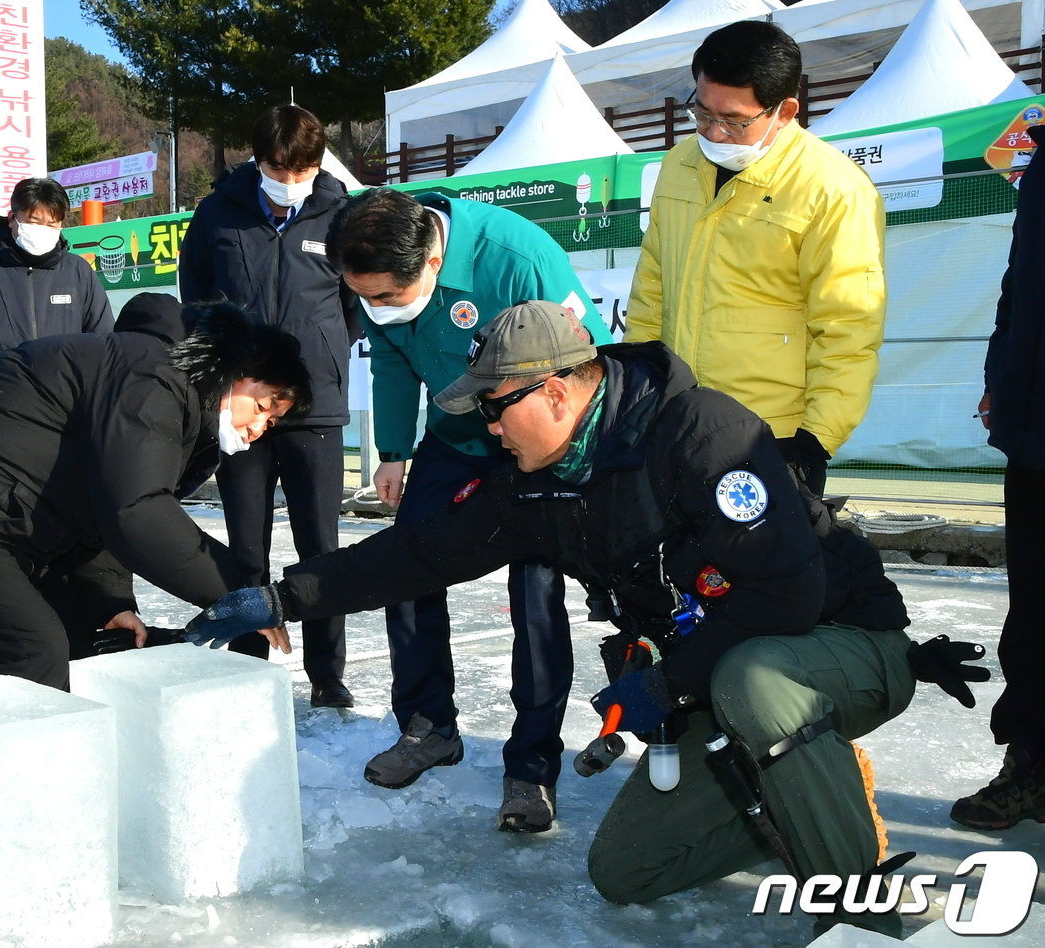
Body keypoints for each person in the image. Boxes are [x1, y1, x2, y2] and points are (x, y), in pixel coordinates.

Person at [187, 300, 986, 937]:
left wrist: (668, 682)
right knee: (626, 871)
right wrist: (284, 596)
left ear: (558, 390)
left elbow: (787, 597)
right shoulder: (535, 481)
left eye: (498, 408)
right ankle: (799, 795)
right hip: (725, 683)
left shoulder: (702, 436)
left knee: (753, 680)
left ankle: (858, 902)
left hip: (840, 649)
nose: (490, 429)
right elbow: (418, 555)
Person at [324, 187, 613, 832]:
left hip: (532, 447)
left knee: (535, 596)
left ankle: (532, 766)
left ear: (430, 262)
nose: (373, 309)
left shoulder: (516, 257)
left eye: (383, 298)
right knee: (406, 570)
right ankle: (427, 727)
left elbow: (586, 359)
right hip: (453, 439)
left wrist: (571, 461)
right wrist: (394, 449)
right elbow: (394, 365)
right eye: (363, 297)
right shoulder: (381, 271)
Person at [0, 294, 309, 690]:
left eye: (271, 422)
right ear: (236, 368)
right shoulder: (154, 376)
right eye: (263, 406)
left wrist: (109, 605)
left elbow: (106, 510)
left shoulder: (177, 395)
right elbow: (137, 513)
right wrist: (242, 594)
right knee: (35, 650)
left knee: (82, 639)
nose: (258, 428)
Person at [624, 20, 886, 496]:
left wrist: (815, 441)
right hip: (676, 418)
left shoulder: (832, 188)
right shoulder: (679, 165)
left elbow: (848, 327)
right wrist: (638, 392)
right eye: (702, 114)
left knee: (765, 571)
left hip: (770, 434)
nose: (716, 134)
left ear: (785, 111)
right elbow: (651, 287)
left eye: (735, 121)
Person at [178, 104, 358, 708]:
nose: (291, 177)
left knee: (321, 544)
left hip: (315, 405)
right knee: (245, 542)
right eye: (280, 167)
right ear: (258, 161)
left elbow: (353, 303)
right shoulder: (218, 213)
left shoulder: (339, 213)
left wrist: (326, 355)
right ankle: (248, 658)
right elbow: (197, 297)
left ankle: (327, 674)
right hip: (241, 402)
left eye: (303, 167)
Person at [951, 123, 1045, 830]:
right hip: (1035, 429)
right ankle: (1031, 767)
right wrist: (999, 378)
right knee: (1035, 616)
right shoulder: (1041, 169)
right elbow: (1019, 287)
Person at [0, 176, 112, 384]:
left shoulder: (78, 271)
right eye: (34, 221)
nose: (43, 229)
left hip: (64, 403)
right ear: (11, 218)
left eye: (52, 224)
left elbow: (102, 338)